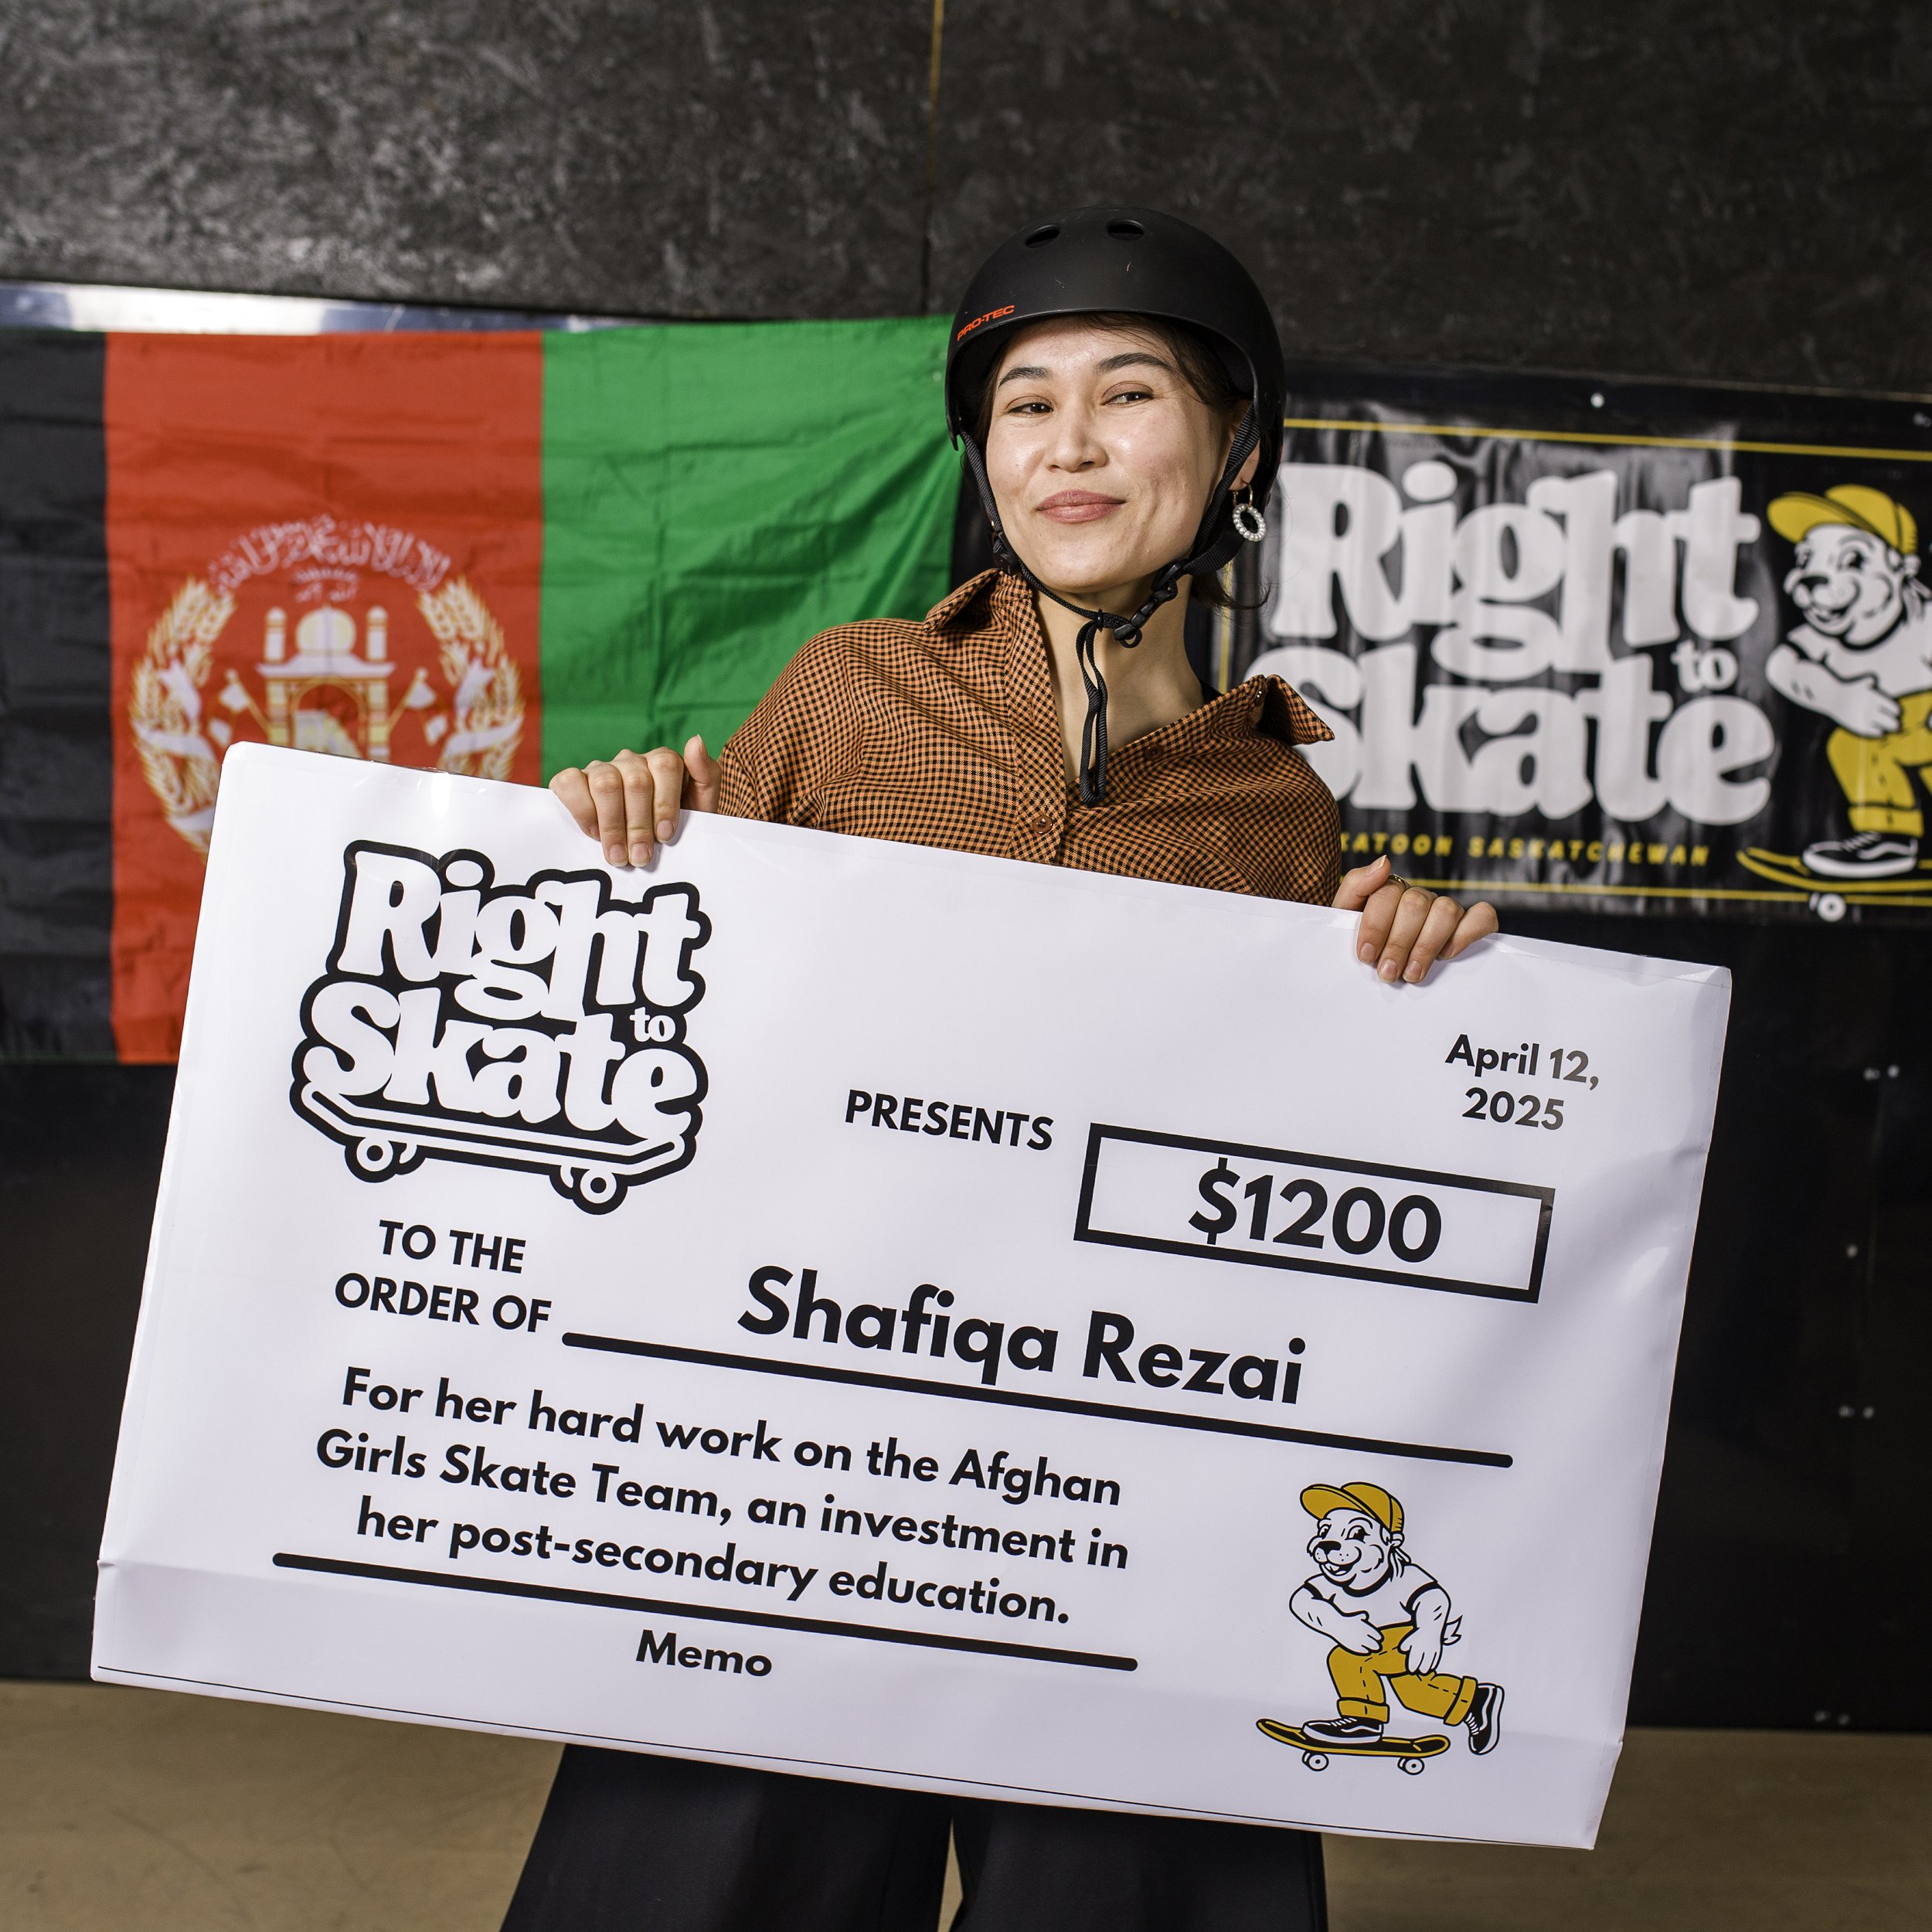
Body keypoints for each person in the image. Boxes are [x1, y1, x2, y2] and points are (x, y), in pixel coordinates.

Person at [509, 206, 1498, 1932]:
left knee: (1132, 1883)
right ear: (983, 451)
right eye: (1025, 402)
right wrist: (620, 834)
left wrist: (1408, 981)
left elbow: (1300, 1188)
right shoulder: (848, 691)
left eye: (1127, 393)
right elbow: (665, 1000)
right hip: (808, 1443)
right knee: (705, 1869)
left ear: (1234, 444)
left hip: (1106, 1467)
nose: (1069, 441)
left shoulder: (1281, 809)